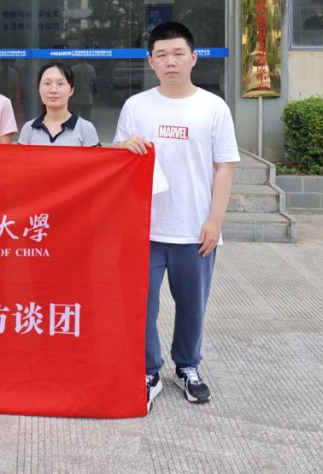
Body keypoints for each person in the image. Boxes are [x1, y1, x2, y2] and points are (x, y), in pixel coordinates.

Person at [113, 21, 239, 413]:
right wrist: (124, 145)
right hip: (146, 229)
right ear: (151, 61)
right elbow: (117, 160)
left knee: (192, 305)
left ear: (193, 58)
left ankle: (187, 366)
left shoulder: (213, 107)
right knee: (143, 307)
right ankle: (148, 370)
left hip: (194, 228)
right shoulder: (136, 107)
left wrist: (215, 220)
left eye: (178, 54)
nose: (171, 61)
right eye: (162, 55)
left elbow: (224, 167)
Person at [17, 62, 100, 147]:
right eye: (47, 83)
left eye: (60, 84)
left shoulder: (86, 129)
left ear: (71, 90)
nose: (53, 90)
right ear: (39, 89)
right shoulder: (29, 128)